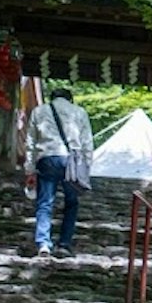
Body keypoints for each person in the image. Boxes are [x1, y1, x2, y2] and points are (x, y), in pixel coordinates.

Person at [26, 87, 93, 256]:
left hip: (46, 158)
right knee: (71, 202)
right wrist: (86, 167)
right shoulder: (79, 112)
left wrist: (29, 169)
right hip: (71, 160)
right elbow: (87, 142)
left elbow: (31, 142)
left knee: (45, 202)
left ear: (52, 98)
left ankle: (43, 242)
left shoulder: (39, 111)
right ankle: (64, 242)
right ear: (70, 99)